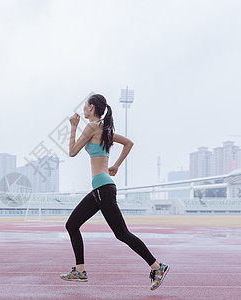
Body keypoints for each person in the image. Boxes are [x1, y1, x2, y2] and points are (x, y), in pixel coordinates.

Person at [59, 94, 169, 291]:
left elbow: (73, 151)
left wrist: (73, 126)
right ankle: (80, 270)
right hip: (100, 188)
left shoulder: (93, 127)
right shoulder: (104, 128)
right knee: (72, 224)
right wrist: (116, 166)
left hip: (103, 188)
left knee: (122, 233)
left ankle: (157, 266)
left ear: (91, 108)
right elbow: (129, 143)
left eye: (85, 105)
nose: (83, 109)